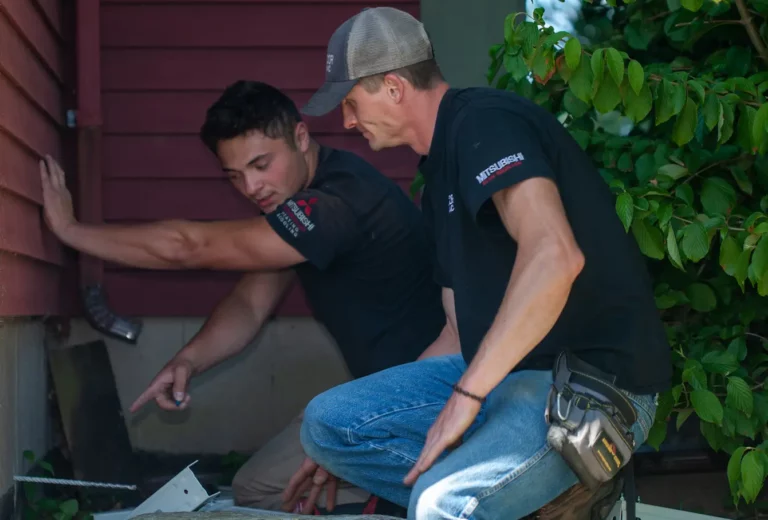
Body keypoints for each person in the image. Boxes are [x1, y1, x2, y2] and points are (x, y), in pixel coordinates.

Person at [293, 7, 673, 520]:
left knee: (441, 506)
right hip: (502, 375)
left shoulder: (485, 123)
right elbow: (456, 332)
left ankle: (520, 492)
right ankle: (530, 499)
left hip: (586, 383)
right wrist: (353, 445)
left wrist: (466, 396)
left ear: (392, 86)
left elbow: (555, 255)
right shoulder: (438, 177)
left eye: (351, 101)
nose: (347, 120)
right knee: (328, 425)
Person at [40, 79, 458, 516]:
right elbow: (250, 304)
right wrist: (188, 360)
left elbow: (188, 247)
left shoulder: (334, 206)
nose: (252, 187)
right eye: (235, 175)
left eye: (261, 164)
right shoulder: (308, 197)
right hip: (385, 397)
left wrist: (70, 231)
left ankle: (396, 495)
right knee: (257, 486)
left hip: (422, 404)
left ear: (300, 136)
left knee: (263, 491)